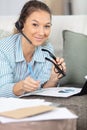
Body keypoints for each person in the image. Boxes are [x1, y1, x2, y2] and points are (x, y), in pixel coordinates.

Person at [0, 0, 66, 97]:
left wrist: (53, 79)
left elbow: (42, 91)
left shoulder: (47, 49)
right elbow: (1, 91)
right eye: (35, 25)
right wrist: (21, 86)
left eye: (47, 26)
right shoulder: (3, 49)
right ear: (21, 25)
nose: (41, 32)